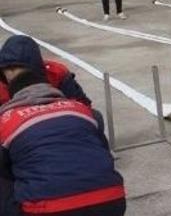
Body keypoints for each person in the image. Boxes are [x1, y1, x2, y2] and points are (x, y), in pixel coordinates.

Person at [0, 65, 126, 215]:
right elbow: (105, 153)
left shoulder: (6, 120)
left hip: (50, 209)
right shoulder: (83, 110)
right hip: (112, 200)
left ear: (15, 95)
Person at [0, 35, 90, 106]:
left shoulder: (57, 73)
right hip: (14, 124)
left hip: (57, 117)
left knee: (94, 116)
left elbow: (81, 103)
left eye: (18, 67)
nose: (13, 74)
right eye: (7, 69)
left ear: (34, 66)